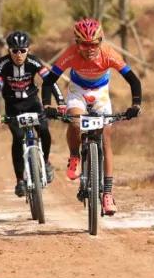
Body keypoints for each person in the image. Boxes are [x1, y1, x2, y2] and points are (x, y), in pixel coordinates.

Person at [43, 18, 141, 216]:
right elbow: (49, 81)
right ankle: (74, 156)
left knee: (106, 138)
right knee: (75, 121)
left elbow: (133, 80)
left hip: (100, 92)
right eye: (84, 45)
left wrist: (136, 104)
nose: (89, 49)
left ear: (100, 41)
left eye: (94, 44)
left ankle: (107, 194)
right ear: (77, 43)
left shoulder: (108, 54)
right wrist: (46, 105)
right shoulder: (70, 54)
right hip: (78, 90)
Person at [0, 31, 63, 198]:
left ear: (28, 50)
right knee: (18, 137)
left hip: (32, 103)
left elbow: (50, 81)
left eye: (23, 50)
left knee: (44, 130)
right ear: (9, 50)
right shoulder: (2, 64)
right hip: (13, 106)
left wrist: (61, 102)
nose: (19, 54)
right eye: (14, 51)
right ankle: (20, 180)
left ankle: (45, 161)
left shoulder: (34, 61)